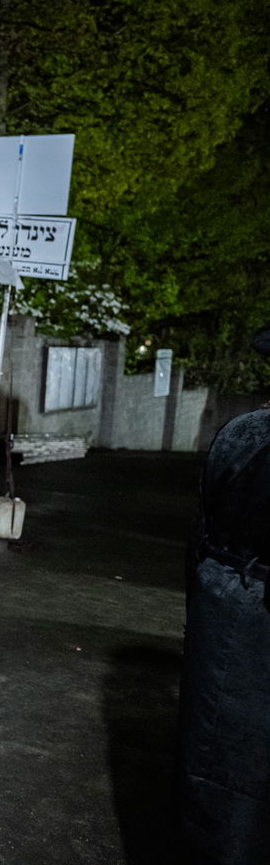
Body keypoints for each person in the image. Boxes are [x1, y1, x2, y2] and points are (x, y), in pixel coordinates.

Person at [177, 322, 270, 862]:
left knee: (218, 775)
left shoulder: (239, 434)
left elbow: (200, 539)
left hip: (227, 611)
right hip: (245, 610)